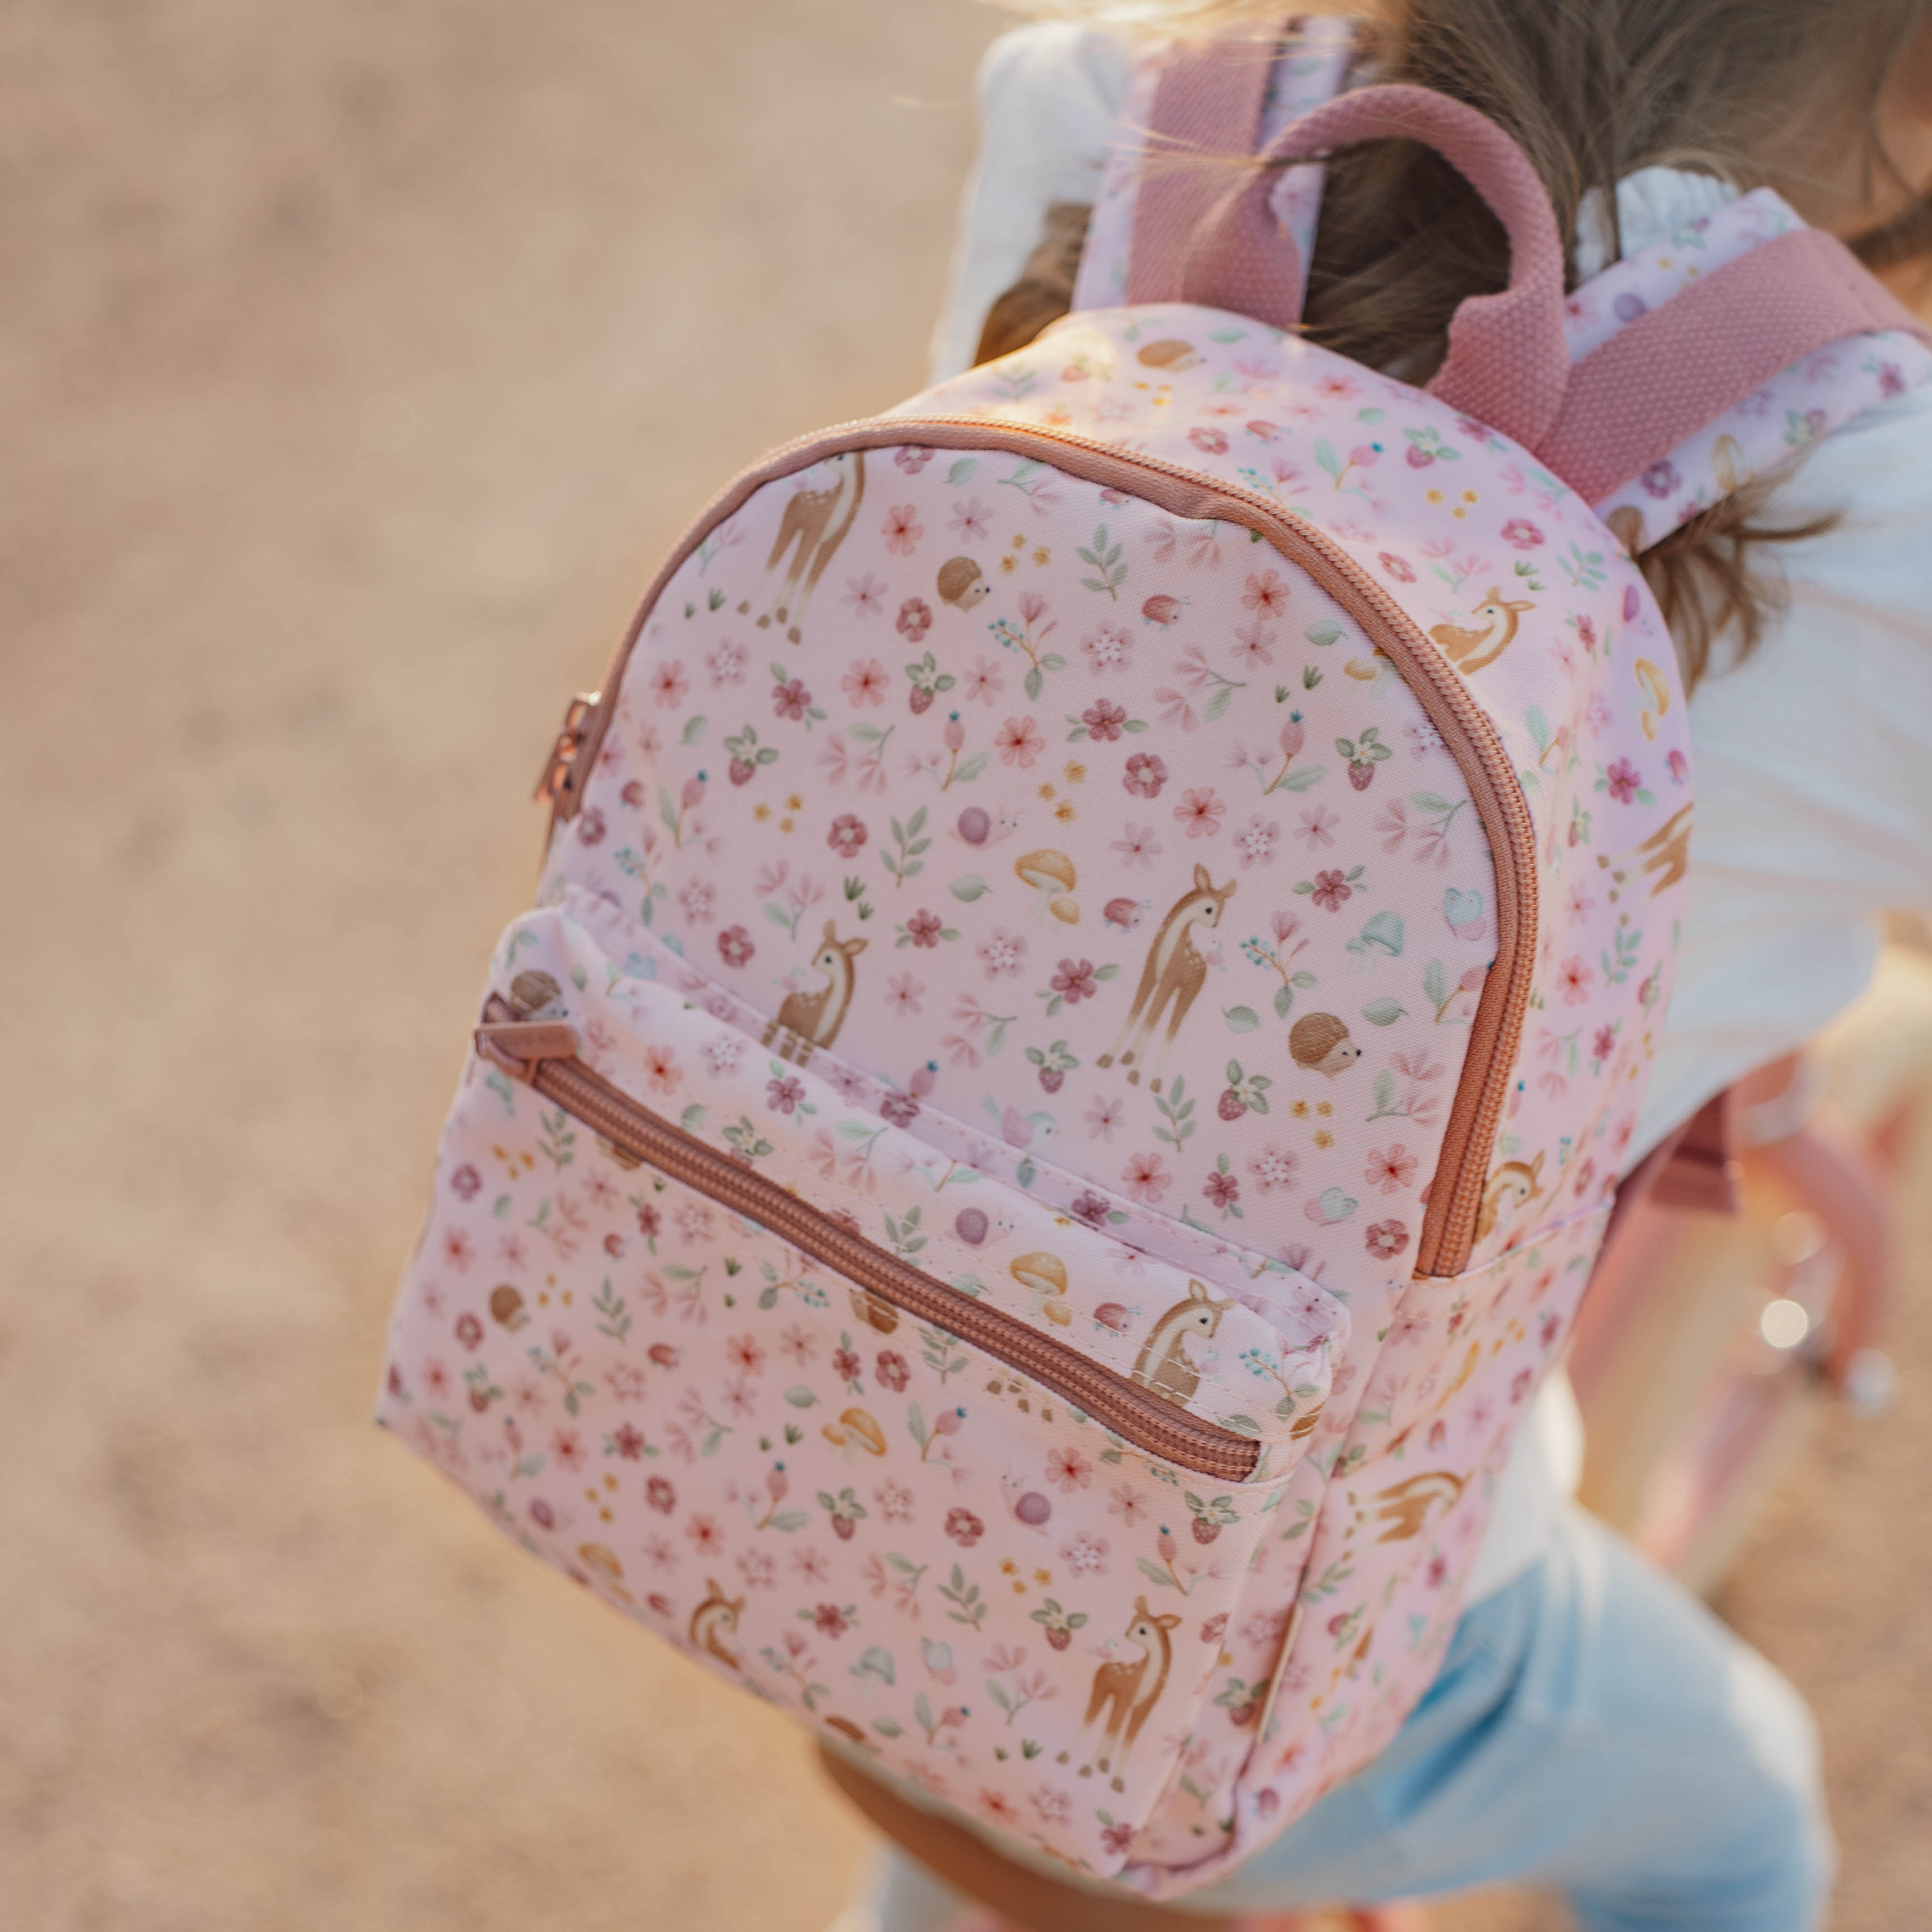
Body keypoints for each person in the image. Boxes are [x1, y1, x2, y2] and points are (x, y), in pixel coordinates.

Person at [830, 3, 1932, 1928]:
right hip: (1315, 1681)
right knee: (1737, 1823)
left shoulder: (1115, 118)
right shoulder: (1878, 511)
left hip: (814, 1415)